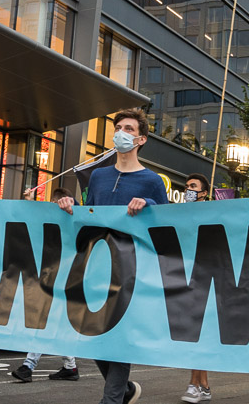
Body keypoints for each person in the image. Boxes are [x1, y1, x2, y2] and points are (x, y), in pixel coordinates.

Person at [57, 108, 168, 404]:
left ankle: (114, 398)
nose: (121, 132)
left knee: (119, 338)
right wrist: (69, 205)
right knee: (93, 336)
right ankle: (126, 390)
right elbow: (88, 215)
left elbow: (168, 225)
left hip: (132, 272)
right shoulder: (99, 176)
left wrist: (149, 204)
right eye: (118, 127)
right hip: (97, 267)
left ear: (141, 138)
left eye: (129, 129)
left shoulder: (152, 181)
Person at [11, 187, 80, 383]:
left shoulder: (71, 220)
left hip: (62, 279)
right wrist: (30, 202)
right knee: (55, 323)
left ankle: (28, 366)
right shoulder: (57, 222)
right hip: (53, 278)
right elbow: (33, 222)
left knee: (44, 320)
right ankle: (70, 367)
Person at [181, 173, 212, 403]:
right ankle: (204, 385)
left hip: (207, 279)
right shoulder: (182, 215)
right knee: (197, 333)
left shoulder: (212, 214)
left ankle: (194, 385)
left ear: (204, 192)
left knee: (198, 333)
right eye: (186, 186)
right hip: (186, 278)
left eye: (193, 186)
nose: (188, 189)